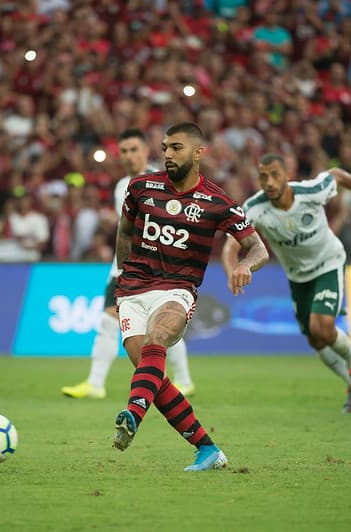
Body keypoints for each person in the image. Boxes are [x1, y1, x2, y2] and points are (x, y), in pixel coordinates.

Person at [112, 122, 269, 471]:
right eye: (165, 147)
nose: (168, 154)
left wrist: (246, 265)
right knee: (152, 374)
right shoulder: (141, 187)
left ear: (199, 153)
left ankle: (133, 412)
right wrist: (125, 277)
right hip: (133, 290)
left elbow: (257, 248)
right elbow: (124, 232)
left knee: (157, 339)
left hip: (177, 289)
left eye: (177, 148)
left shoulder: (217, 201)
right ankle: (207, 449)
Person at [222, 152, 351, 413]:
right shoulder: (254, 207)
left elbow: (337, 175)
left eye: (275, 175)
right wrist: (232, 272)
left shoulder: (311, 191)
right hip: (297, 277)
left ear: (287, 175)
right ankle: (350, 384)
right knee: (315, 340)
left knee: (323, 327)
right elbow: (230, 247)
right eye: (263, 177)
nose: (269, 182)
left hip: (328, 263)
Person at [61, 128, 195, 399]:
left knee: (162, 326)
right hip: (121, 268)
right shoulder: (122, 185)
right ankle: (95, 384)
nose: (129, 156)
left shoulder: (165, 181)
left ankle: (183, 380)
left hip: (156, 268)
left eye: (134, 150)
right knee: (108, 321)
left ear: (147, 151)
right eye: (124, 151)